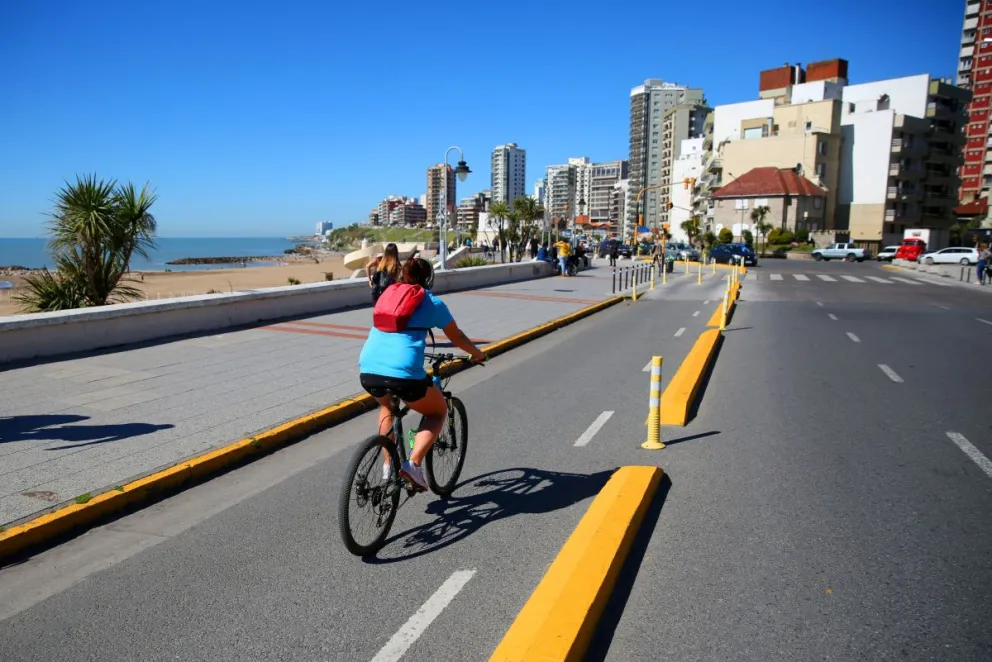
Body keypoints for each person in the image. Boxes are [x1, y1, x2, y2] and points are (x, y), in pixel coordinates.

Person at [358, 258, 486, 490]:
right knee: (438, 411)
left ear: (402, 276)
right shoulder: (432, 302)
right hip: (403, 372)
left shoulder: (388, 294)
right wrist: (477, 354)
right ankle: (413, 466)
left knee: (387, 407)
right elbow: (457, 336)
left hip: (368, 366)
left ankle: (388, 467)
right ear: (428, 279)